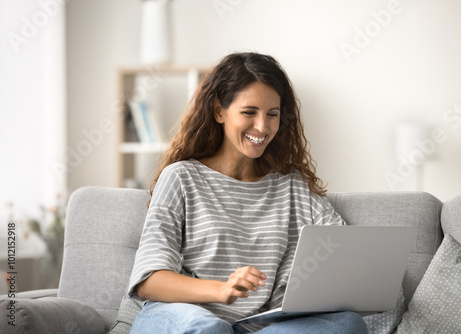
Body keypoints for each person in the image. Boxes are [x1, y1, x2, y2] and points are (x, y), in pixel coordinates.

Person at [128, 52, 368, 334]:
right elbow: (148, 281)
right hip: (187, 318)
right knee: (209, 329)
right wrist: (221, 290)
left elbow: (344, 252)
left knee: (348, 324)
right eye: (249, 112)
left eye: (272, 115)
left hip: (261, 328)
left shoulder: (291, 184)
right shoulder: (181, 177)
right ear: (219, 111)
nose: (262, 127)